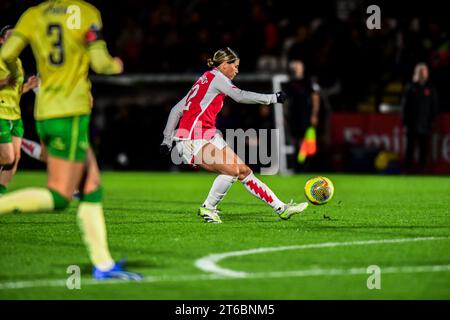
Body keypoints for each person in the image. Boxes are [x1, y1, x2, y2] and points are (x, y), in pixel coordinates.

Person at [0, 0, 141, 280]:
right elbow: (100, 62)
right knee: (61, 196)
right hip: (70, 112)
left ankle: (103, 264)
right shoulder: (86, 12)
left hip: (44, 113)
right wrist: (115, 65)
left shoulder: (32, 15)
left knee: (91, 186)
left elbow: (6, 53)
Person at [161, 47, 308, 224]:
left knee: (244, 171)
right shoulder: (217, 78)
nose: (237, 70)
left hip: (207, 135)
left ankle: (281, 208)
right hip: (192, 139)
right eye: (235, 66)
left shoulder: (205, 79)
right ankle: (208, 208)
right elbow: (240, 96)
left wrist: (167, 140)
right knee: (231, 171)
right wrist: (273, 98)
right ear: (224, 65)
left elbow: (176, 109)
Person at [0, 25, 40, 195]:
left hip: (15, 116)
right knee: (7, 157)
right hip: (1, 114)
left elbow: (15, 92)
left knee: (15, 158)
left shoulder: (17, 62)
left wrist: (28, 86)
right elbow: (5, 84)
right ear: (2, 40)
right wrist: (3, 82)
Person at [401, 63, 439, 173]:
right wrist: (405, 121)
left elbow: (434, 107)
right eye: (421, 71)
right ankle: (407, 170)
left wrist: (431, 121)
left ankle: (422, 170)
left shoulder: (430, 88)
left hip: (424, 124)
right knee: (410, 148)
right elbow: (405, 106)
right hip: (411, 123)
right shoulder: (410, 87)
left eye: (425, 71)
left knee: (423, 149)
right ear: (417, 73)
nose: (423, 73)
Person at [284, 59, 320, 170]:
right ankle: (297, 165)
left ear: (302, 68)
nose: (296, 68)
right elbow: (286, 100)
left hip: (306, 115)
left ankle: (307, 165)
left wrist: (314, 114)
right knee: (295, 140)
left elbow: (315, 98)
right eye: (294, 67)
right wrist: (285, 115)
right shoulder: (290, 83)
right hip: (293, 115)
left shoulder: (308, 82)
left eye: (298, 66)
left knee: (307, 141)